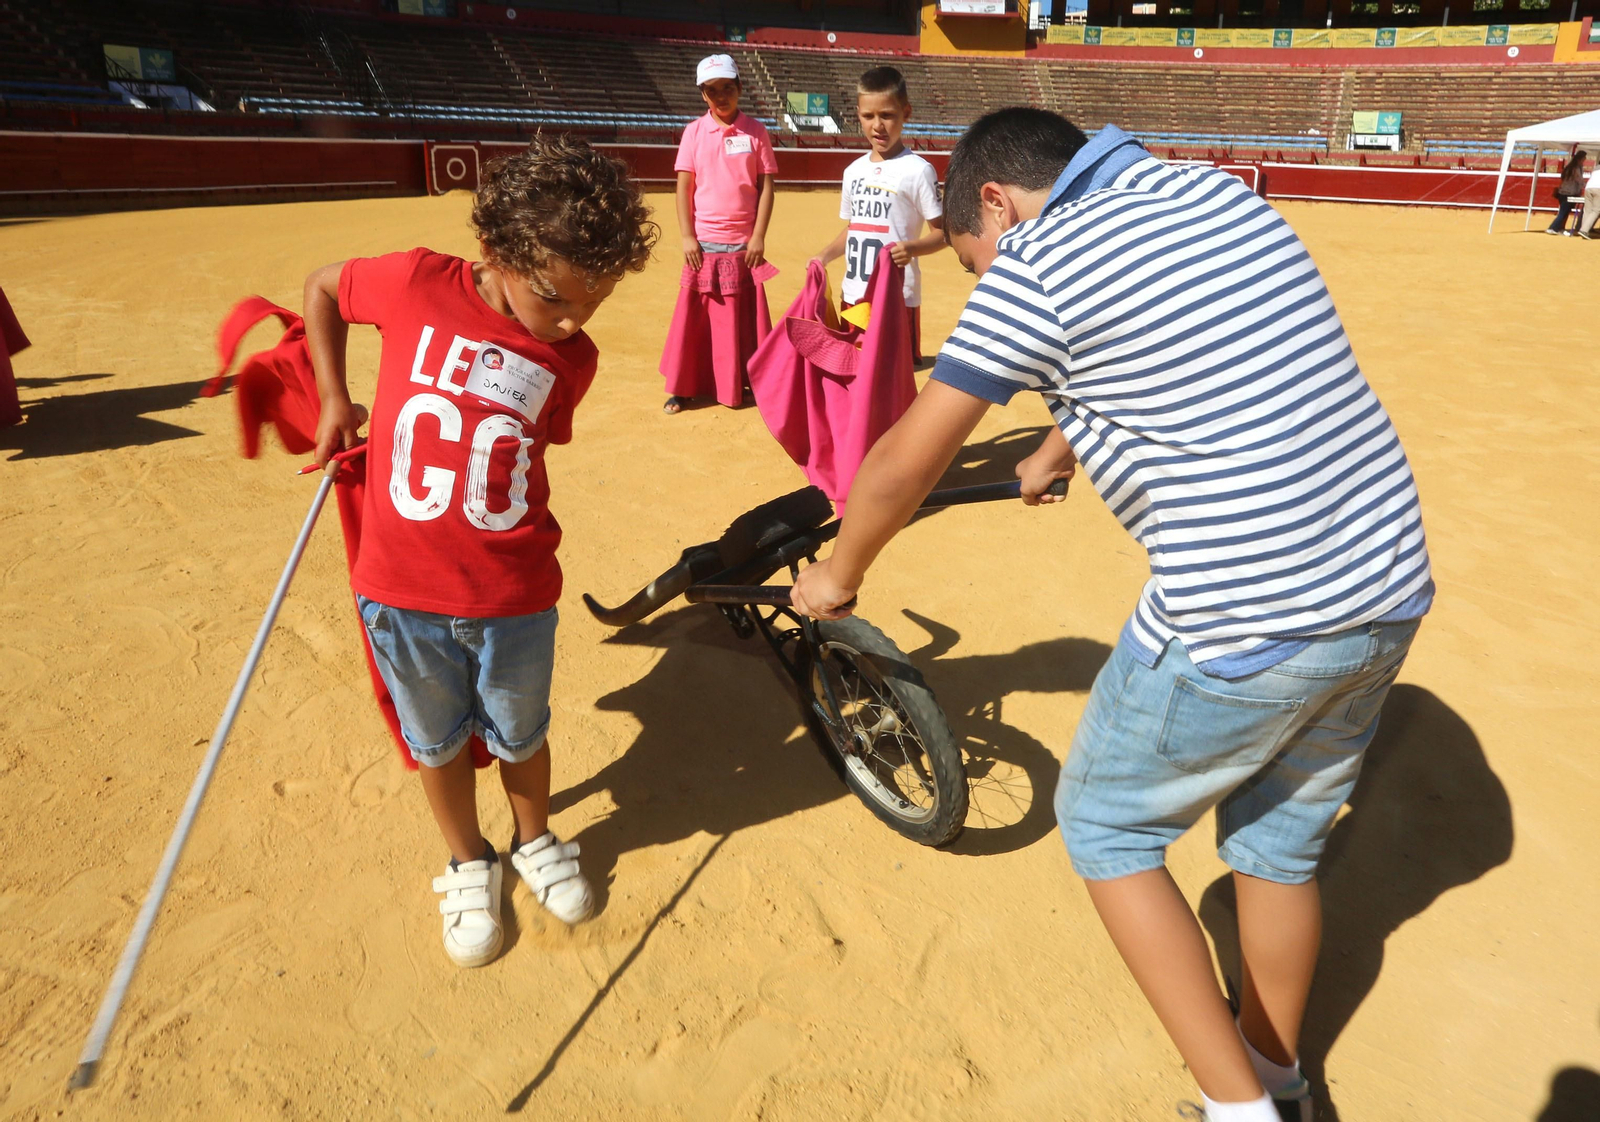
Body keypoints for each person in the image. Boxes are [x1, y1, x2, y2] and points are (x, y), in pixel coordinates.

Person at [790, 109, 1433, 1122]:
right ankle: (1276, 1077)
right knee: (1277, 850)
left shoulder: (1036, 265)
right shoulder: (1211, 190)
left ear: (994, 202)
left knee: (1104, 828)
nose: (985, 272)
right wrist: (1057, 446)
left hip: (1243, 610)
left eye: (973, 256)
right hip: (1384, 584)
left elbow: (903, 461)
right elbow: (1184, 342)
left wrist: (837, 572)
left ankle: (1236, 1111)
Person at [303, 136, 657, 967]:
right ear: (496, 254)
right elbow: (322, 287)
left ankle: (533, 838)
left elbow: (532, 446)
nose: (569, 322)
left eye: (591, 305)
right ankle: (469, 860)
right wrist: (333, 398)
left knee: (520, 732)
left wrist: (563, 328)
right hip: (401, 592)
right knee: (435, 742)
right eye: (552, 298)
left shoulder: (573, 359)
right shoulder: (416, 281)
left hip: (517, 596)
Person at [661, 53, 778, 414]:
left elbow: (766, 187)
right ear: (703, 96)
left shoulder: (756, 131)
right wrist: (687, 236)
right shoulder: (694, 132)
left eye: (728, 87)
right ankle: (683, 388)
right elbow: (684, 188)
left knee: (742, 321)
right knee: (693, 322)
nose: (721, 96)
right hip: (704, 242)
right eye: (712, 91)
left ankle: (748, 382)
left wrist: (758, 236)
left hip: (744, 245)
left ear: (740, 88)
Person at [809, 65, 946, 365]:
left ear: (905, 113)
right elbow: (855, 228)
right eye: (868, 116)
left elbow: (943, 233)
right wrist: (825, 255)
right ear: (857, 114)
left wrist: (911, 248)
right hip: (853, 292)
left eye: (887, 115)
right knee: (853, 368)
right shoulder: (853, 171)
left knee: (891, 377)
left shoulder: (918, 170)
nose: (877, 126)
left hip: (896, 297)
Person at [1546, 147, 1587, 235]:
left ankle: (1559, 228)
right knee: (1563, 212)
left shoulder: (1571, 167)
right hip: (1569, 193)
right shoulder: (1575, 168)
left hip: (1565, 192)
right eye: (1584, 159)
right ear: (1581, 159)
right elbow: (1579, 180)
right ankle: (1552, 227)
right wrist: (1586, 186)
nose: (1584, 160)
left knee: (1565, 211)